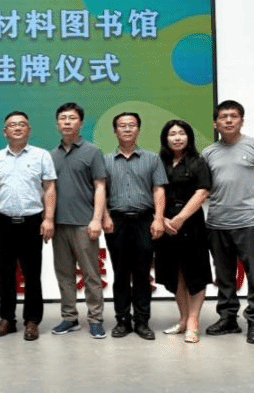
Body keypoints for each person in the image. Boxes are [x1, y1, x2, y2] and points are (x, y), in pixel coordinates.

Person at [202, 100, 254, 345]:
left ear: (241, 120)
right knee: (224, 275)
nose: (228, 120)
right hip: (217, 223)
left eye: (233, 116)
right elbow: (205, 188)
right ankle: (228, 319)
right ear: (216, 123)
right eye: (223, 116)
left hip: (250, 223)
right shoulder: (208, 152)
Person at [0, 111, 56, 341]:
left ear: (29, 129)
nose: (17, 128)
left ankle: (32, 321)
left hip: (32, 221)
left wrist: (48, 218)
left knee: (32, 274)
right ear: (4, 131)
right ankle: (7, 319)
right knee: (5, 274)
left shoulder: (41, 155)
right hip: (4, 221)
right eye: (12, 125)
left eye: (22, 124)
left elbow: (49, 188)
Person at [102, 112, 168, 341]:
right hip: (116, 220)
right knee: (120, 273)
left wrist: (158, 218)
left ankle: (142, 321)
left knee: (142, 272)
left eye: (132, 125)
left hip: (144, 220)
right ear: (115, 131)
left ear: (138, 129)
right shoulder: (105, 160)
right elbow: (100, 192)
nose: (127, 129)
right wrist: (104, 216)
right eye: (122, 125)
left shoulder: (152, 158)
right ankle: (122, 320)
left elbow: (159, 189)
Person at [49, 103, 107, 339]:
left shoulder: (92, 152)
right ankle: (69, 317)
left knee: (91, 275)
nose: (67, 122)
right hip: (59, 225)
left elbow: (100, 186)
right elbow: (48, 190)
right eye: (62, 118)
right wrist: (48, 220)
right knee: (64, 275)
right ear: (57, 124)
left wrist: (97, 220)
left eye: (72, 118)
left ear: (80, 123)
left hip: (85, 224)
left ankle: (95, 319)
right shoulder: (51, 155)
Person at [154, 120, 213, 344]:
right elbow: (155, 190)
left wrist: (180, 219)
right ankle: (183, 318)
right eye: (172, 134)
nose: (177, 138)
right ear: (165, 138)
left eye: (182, 133)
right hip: (165, 223)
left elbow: (202, 192)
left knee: (195, 273)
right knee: (175, 273)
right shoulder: (159, 162)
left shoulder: (198, 162)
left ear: (189, 137)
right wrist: (161, 218)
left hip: (190, 222)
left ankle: (193, 322)